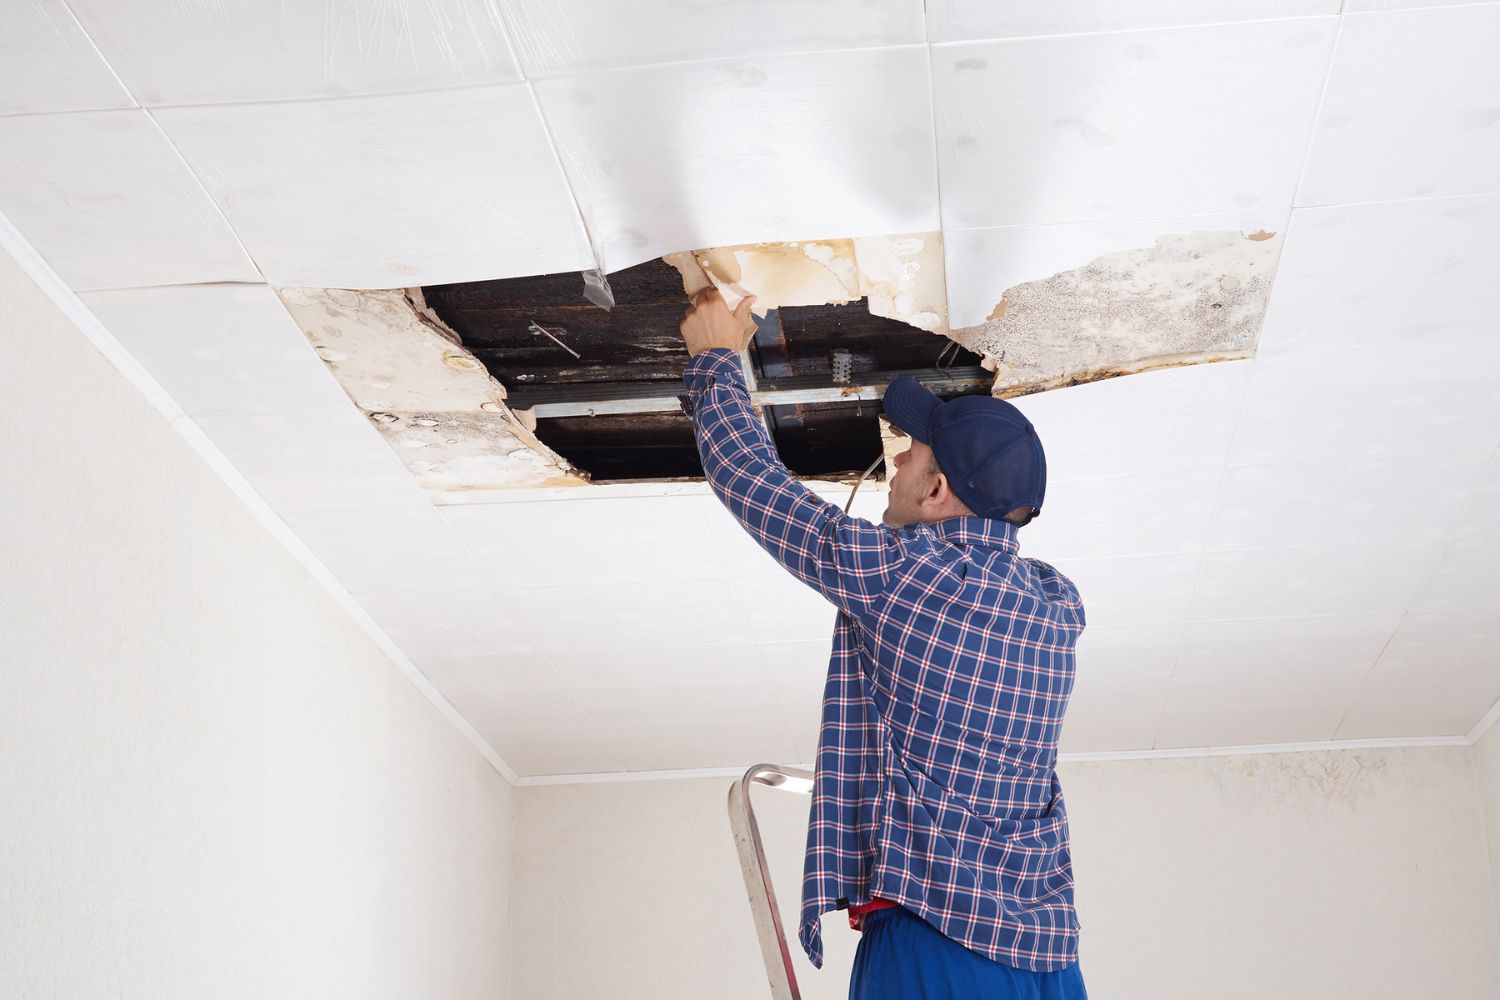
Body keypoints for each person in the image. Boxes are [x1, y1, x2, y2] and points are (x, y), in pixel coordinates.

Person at [679, 288, 1089, 1000]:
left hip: (938, 941)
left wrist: (714, 356)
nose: (893, 464)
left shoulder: (905, 578)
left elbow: (753, 484)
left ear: (936, 492)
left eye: (908, 453)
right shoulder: (1054, 605)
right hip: (1048, 957)